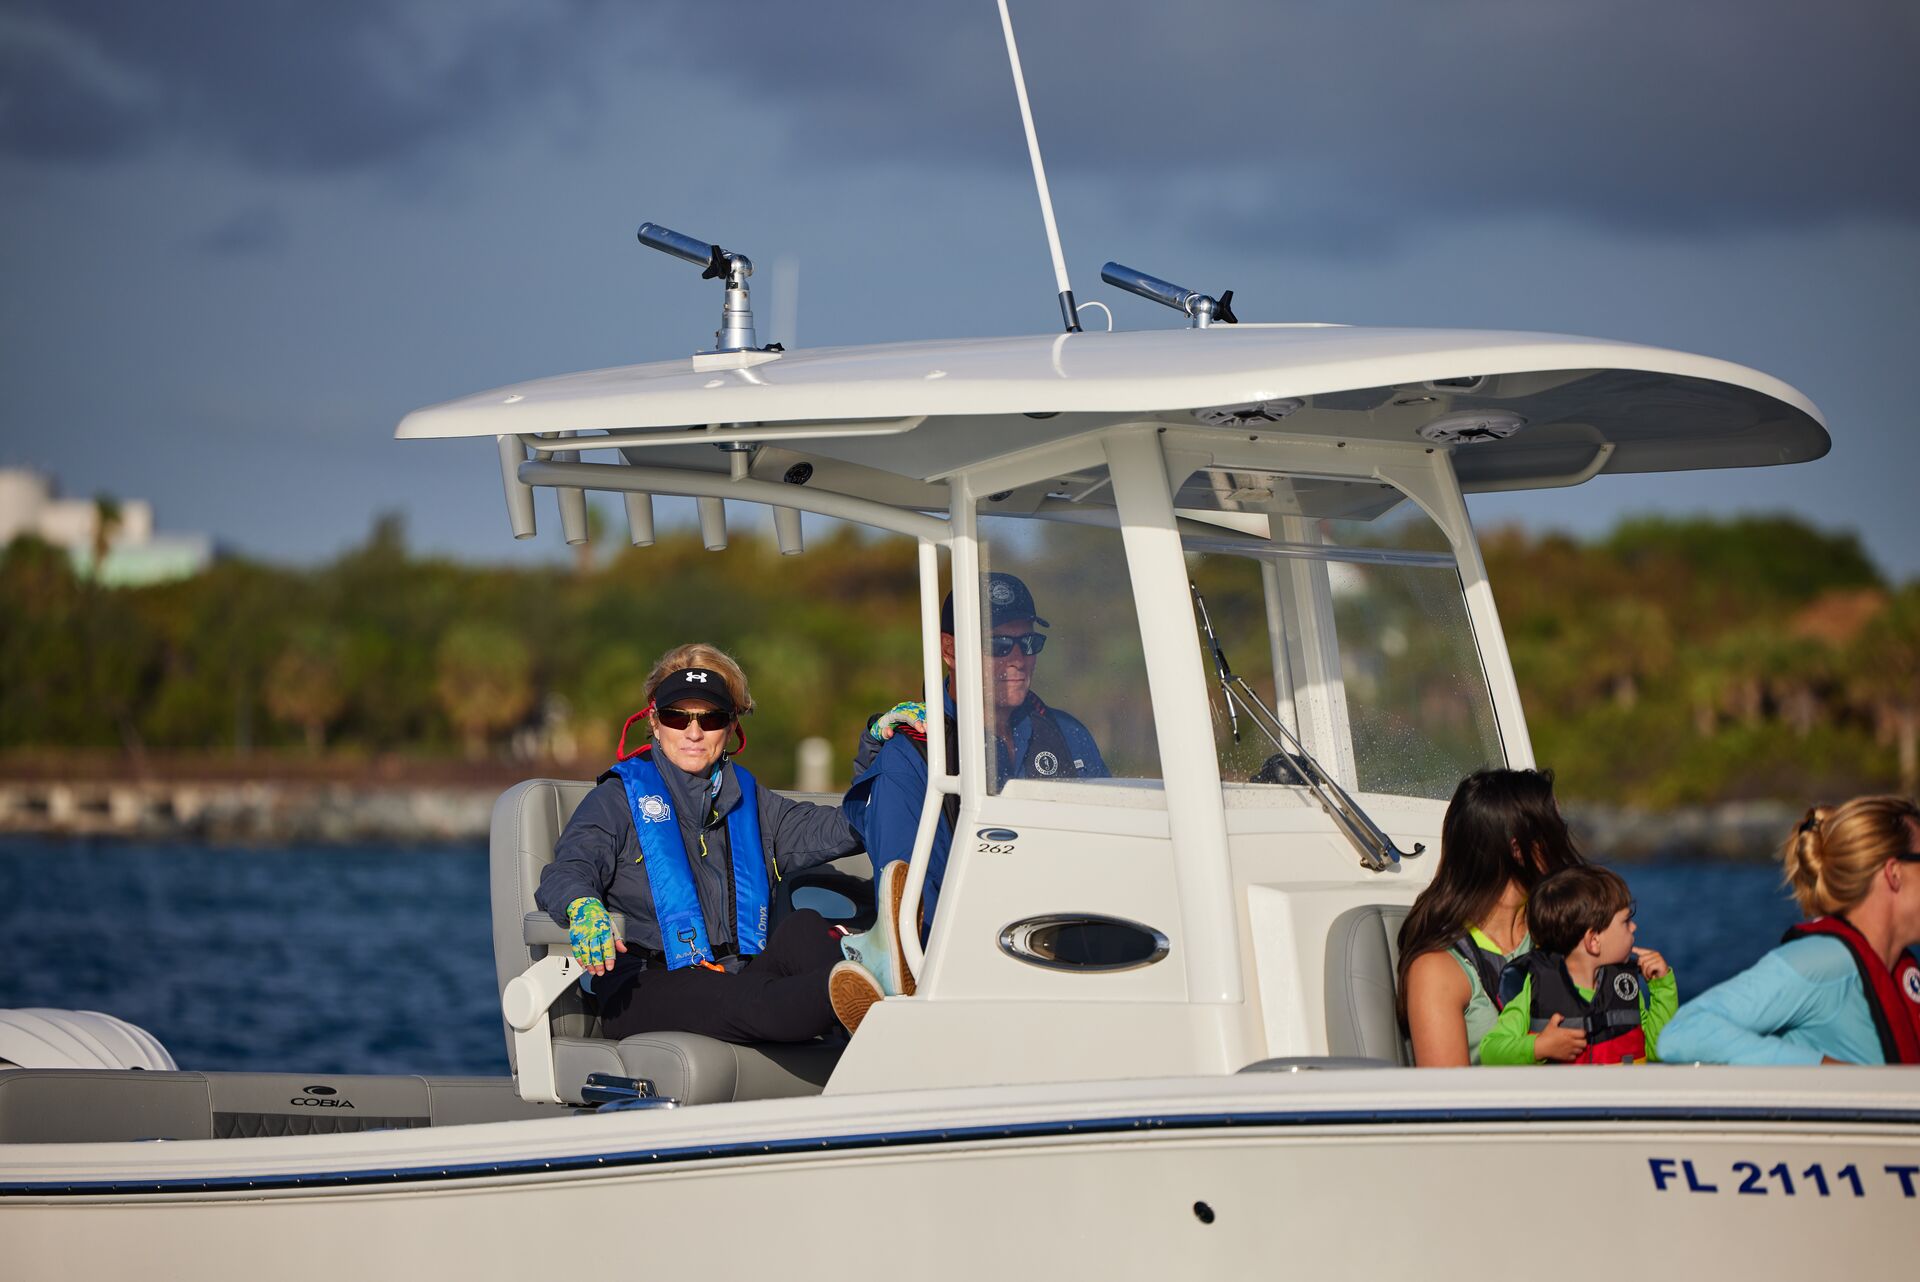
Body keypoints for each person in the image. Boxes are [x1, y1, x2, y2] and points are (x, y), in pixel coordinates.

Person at [536, 643, 910, 1042]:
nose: (694, 732)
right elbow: (567, 870)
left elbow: (853, 825)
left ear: (730, 727)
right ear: (654, 722)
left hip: (736, 973)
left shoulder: (754, 803)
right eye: (677, 717)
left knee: (802, 928)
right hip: (645, 985)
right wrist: (582, 906)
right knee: (749, 999)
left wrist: (881, 752)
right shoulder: (614, 800)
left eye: (710, 718)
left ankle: (876, 984)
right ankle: (865, 994)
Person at [843, 571, 1108, 936]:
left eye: (1029, 643)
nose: (1018, 659)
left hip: (1076, 945)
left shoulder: (1070, 736)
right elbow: (914, 913)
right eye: (999, 645)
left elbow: (1108, 861)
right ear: (949, 650)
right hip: (972, 964)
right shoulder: (911, 759)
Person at [1658, 796, 1920, 1066]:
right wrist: (1826, 1070)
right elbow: (1684, 1033)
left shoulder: (1902, 973)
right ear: (1894, 873)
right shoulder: (1822, 963)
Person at [1396, 768, 1588, 1066]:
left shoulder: (1559, 933)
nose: (1563, 837)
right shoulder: (1438, 969)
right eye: (1555, 829)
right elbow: (1447, 1103)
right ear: (1517, 850)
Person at [1478, 865, 1676, 1065]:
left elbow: (1658, 1048)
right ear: (1593, 941)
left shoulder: (1623, 987)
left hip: (1620, 1096)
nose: (1634, 927)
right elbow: (1491, 1052)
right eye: (1626, 921)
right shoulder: (1535, 990)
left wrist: (1662, 986)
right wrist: (1540, 1047)